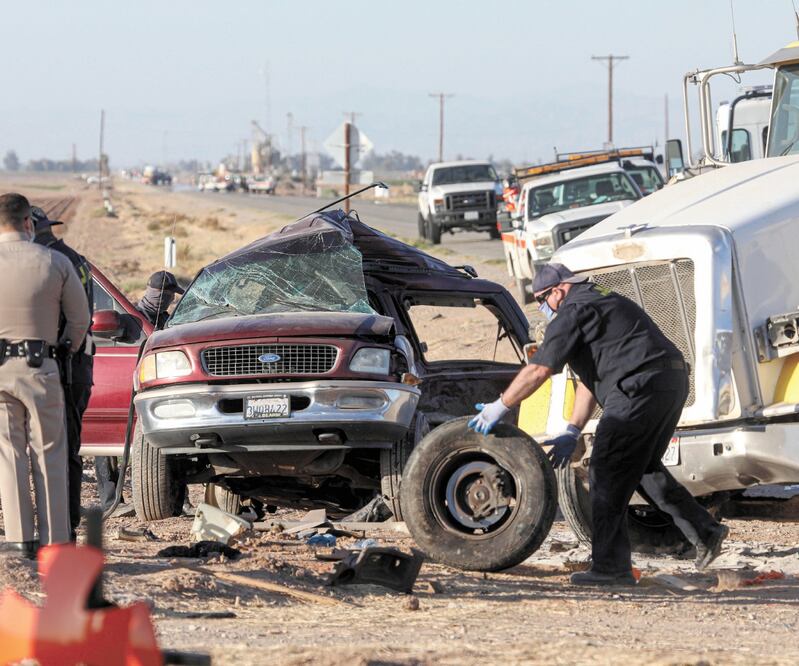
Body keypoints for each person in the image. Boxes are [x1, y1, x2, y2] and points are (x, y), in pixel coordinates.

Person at [468, 263, 728, 586]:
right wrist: (572, 429)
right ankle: (706, 532)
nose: (543, 309)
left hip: (639, 385)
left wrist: (501, 404)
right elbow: (590, 382)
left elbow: (538, 370)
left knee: (605, 469)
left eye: (542, 301)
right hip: (669, 382)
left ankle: (610, 568)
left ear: (558, 291)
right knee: (642, 469)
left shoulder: (573, 311)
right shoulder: (600, 301)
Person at [0, 193, 90, 557]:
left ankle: (19, 538)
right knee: (49, 452)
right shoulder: (55, 262)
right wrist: (65, 347)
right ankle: (54, 539)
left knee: (9, 454)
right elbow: (81, 319)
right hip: (42, 367)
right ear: (28, 223)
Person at [31, 206, 94, 540]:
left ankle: (63, 526)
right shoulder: (72, 258)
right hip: (74, 365)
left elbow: (75, 320)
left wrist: (60, 352)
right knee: (66, 449)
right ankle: (65, 524)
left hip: (64, 366)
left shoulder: (52, 263)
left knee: (61, 448)